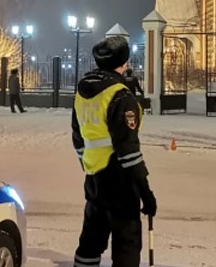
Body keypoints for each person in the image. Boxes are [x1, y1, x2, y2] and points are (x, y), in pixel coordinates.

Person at [72, 36, 156, 267]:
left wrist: (88, 164)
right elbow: (128, 150)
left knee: (91, 239)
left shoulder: (83, 90)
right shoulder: (120, 94)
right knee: (126, 244)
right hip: (120, 179)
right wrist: (145, 191)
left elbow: (77, 136)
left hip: (94, 179)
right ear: (124, 62)